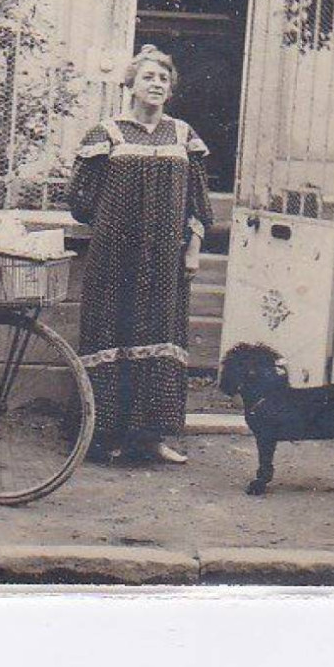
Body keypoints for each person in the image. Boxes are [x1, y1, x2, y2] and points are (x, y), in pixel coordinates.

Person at [68, 44, 214, 465]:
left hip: (165, 260)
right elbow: (80, 198)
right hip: (114, 257)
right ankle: (106, 438)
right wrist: (119, 219)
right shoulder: (106, 134)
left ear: (170, 90)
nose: (156, 84)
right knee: (113, 337)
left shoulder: (182, 135)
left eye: (164, 79)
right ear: (130, 84)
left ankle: (150, 439)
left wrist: (193, 249)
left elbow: (199, 203)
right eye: (148, 77)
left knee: (159, 340)